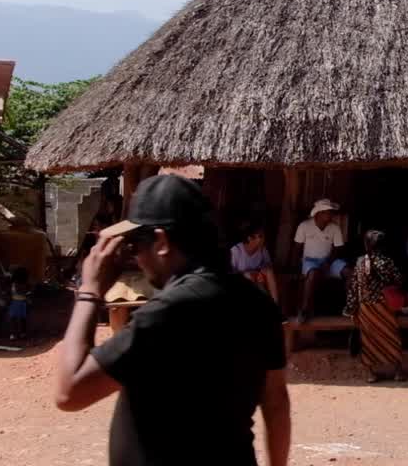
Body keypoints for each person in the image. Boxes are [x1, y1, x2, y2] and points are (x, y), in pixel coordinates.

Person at [53, 174, 291, 466]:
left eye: (136, 244)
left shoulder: (169, 313)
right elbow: (276, 402)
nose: (135, 256)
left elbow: (69, 392)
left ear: (162, 241)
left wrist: (90, 291)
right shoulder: (257, 304)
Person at [344, 230, 406, 383]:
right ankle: (398, 372)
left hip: (366, 308)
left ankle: (371, 374)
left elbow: (354, 286)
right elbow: (399, 280)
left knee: (368, 341)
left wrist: (351, 309)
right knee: (392, 338)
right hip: (385, 307)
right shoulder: (388, 262)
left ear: (366, 245)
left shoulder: (359, 262)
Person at [293, 199, 347, 323]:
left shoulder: (335, 227)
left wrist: (328, 263)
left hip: (329, 261)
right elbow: (297, 248)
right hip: (310, 261)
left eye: (331, 212)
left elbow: (338, 249)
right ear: (319, 213)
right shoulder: (304, 226)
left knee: (349, 272)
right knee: (313, 274)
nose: (330, 215)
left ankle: (350, 307)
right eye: (327, 212)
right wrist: (297, 266)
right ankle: (304, 310)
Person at [231, 220, 278, 301]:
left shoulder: (263, 250)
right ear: (250, 238)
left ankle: (275, 304)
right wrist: (246, 274)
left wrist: (261, 272)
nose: (263, 239)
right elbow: (229, 273)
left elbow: (268, 265)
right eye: (260, 236)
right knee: (249, 277)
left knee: (268, 272)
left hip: (257, 282)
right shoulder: (236, 250)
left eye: (263, 236)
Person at [7, 266, 31, 340]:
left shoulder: (14, 283)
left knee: (13, 319)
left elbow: (12, 292)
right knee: (23, 319)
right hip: (23, 302)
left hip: (15, 302)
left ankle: (13, 334)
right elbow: (27, 293)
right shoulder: (25, 284)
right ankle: (22, 333)